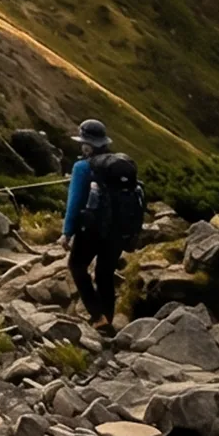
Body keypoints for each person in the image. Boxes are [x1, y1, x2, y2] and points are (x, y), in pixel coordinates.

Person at [61, 119, 142, 335]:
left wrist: (67, 233)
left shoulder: (82, 167)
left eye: (83, 143)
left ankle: (97, 317)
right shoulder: (120, 165)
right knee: (105, 273)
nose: (81, 147)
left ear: (88, 145)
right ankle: (108, 320)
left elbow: (75, 202)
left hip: (91, 230)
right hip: (118, 231)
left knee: (77, 266)